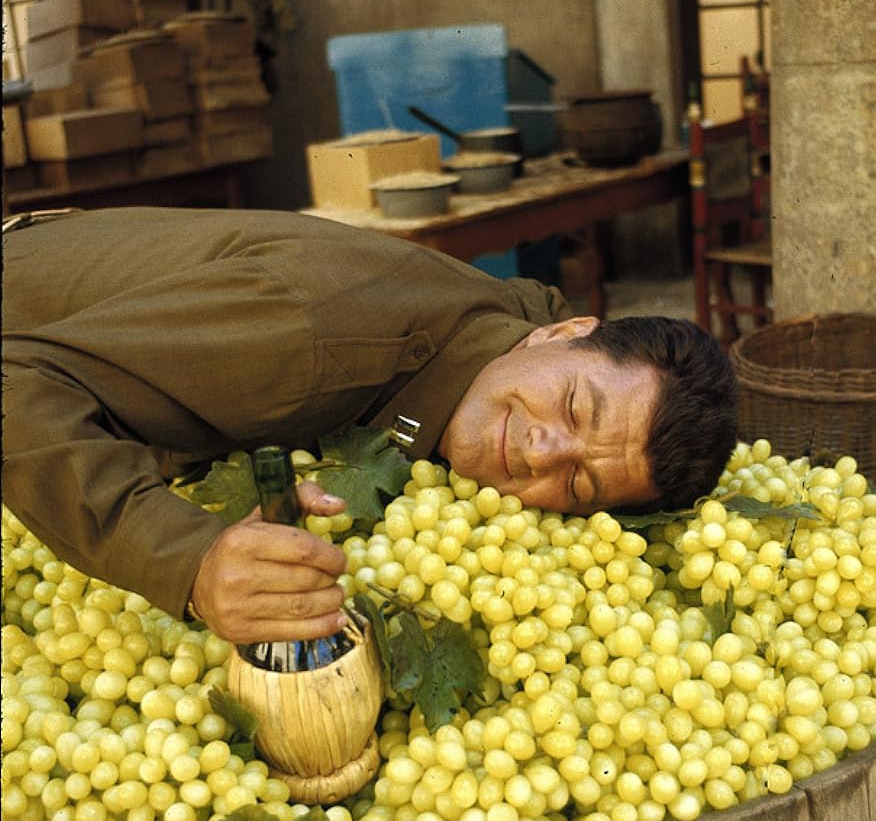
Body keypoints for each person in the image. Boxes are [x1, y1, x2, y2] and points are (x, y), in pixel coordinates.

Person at [2, 205, 737, 642]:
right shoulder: (306, 338)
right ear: (566, 332)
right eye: (576, 407)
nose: (544, 451)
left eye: (577, 485)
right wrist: (188, 561)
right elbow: (14, 381)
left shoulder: (511, 334)